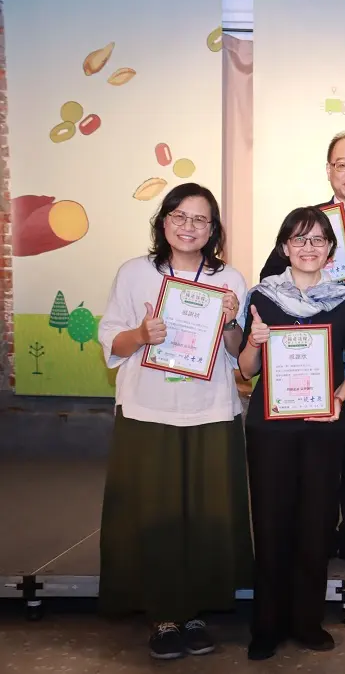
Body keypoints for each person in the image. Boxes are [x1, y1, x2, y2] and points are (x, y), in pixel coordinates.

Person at [97, 183, 252, 660]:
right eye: (180, 216)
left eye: (201, 219)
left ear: (214, 229)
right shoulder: (135, 273)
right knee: (155, 515)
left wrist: (231, 321)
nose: (189, 227)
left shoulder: (230, 279)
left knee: (207, 514)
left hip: (210, 410)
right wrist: (141, 334)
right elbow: (112, 343)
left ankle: (196, 611)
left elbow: (239, 356)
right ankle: (163, 615)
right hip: (149, 410)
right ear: (163, 221)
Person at [239, 207, 345, 661]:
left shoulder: (344, 299)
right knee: (271, 523)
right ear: (284, 247)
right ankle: (267, 624)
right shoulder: (262, 297)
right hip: (270, 428)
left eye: (318, 240)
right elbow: (246, 369)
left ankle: (307, 621)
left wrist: (339, 397)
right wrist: (254, 342)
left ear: (330, 249)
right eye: (299, 239)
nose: (308, 247)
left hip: (323, 428)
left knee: (316, 525)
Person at [260, 132, 345, 571]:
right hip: (309, 361)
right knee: (314, 452)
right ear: (329, 170)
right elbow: (269, 283)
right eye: (342, 164)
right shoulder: (307, 229)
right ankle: (313, 535)